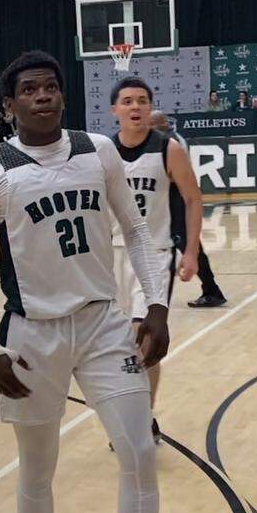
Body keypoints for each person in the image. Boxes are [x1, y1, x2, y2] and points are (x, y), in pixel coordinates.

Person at [0, 51, 167, 513]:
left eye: (50, 86)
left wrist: (155, 306)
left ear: (63, 94)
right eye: (29, 89)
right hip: (32, 333)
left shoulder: (97, 150)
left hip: (103, 325)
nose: (42, 95)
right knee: (36, 468)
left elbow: (134, 230)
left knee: (138, 451)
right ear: (9, 105)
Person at [110, 80, 202, 443]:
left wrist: (191, 251)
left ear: (150, 109)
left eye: (143, 101)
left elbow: (193, 199)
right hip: (109, 255)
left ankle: (139, 420)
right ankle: (134, 414)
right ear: (115, 110)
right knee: (116, 347)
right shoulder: (102, 152)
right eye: (128, 101)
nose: (136, 106)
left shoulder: (169, 149)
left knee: (144, 339)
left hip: (153, 254)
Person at [148, 113, 229, 309]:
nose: (147, 127)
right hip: (168, 199)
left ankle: (211, 290)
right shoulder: (166, 140)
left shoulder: (172, 143)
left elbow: (175, 178)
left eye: (151, 124)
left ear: (161, 124)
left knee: (187, 244)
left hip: (176, 198)